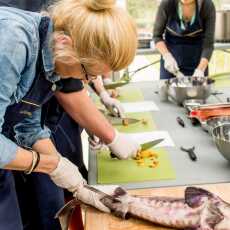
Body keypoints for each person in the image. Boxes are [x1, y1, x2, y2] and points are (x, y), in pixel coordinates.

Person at [0, 1, 139, 229]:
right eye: (88, 74)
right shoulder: (13, 40)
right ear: (66, 43)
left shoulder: (51, 59)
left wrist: (73, 180)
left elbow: (28, 127)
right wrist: (47, 165)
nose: (85, 83)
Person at [153, 0, 216, 99]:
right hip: (171, 60)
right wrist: (167, 56)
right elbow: (157, 36)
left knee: (197, 99)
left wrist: (200, 69)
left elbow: (208, 44)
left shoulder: (207, 5)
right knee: (167, 100)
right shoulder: (167, 3)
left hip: (198, 60)